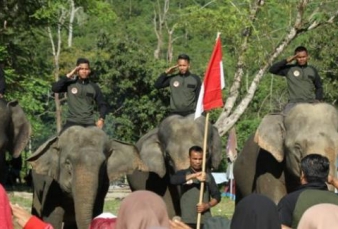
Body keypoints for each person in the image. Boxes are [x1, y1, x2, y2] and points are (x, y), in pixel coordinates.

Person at [277, 154, 338, 229]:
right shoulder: (335, 198)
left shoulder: (289, 200)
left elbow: (279, 226)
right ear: (327, 176)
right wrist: (333, 181)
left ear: (302, 174)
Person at [52, 58, 108, 133]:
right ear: (77, 70)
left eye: (86, 69)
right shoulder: (70, 84)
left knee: (103, 142)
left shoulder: (94, 87)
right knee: (59, 141)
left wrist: (101, 119)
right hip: (72, 122)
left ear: (89, 71)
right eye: (81, 69)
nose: (84, 71)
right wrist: (70, 74)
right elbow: (55, 88)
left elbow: (102, 104)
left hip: (89, 123)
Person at [170, 146, 221, 229]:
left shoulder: (207, 176)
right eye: (195, 159)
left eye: (200, 159)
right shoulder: (183, 173)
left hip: (204, 220)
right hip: (186, 220)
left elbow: (217, 196)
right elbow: (173, 180)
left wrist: (207, 205)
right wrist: (194, 176)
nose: (197, 162)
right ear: (189, 158)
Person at [269, 46, 323, 113]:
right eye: (299, 57)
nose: (301, 59)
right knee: (285, 120)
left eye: (303, 57)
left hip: (310, 102)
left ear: (307, 57)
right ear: (295, 58)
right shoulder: (289, 69)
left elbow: (319, 87)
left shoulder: (312, 69)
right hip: (293, 103)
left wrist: (318, 100)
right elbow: (272, 70)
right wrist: (287, 60)